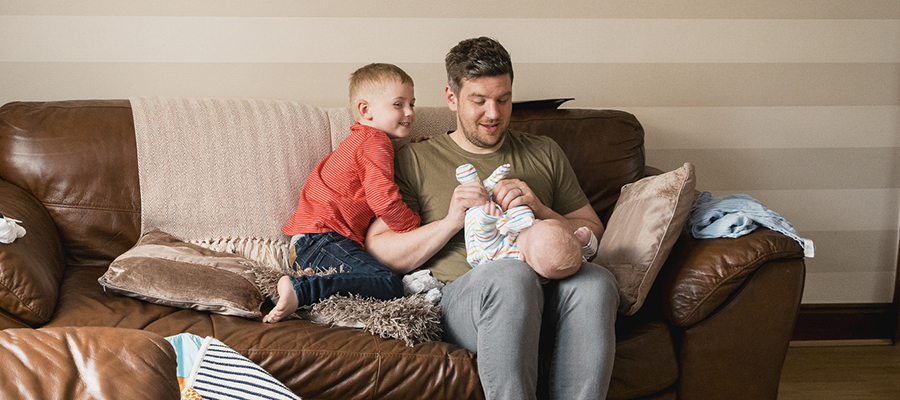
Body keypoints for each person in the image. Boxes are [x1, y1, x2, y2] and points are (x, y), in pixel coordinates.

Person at [365, 37, 619, 399]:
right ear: (452, 98)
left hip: (551, 295)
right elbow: (380, 249)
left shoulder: (544, 151)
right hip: (469, 302)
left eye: (503, 99)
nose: (494, 114)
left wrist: (542, 211)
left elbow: (593, 230)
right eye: (479, 101)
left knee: (597, 281)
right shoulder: (416, 159)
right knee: (511, 275)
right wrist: (451, 220)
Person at [263, 63, 420, 323]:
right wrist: (415, 226)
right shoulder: (376, 142)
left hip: (306, 245)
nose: (410, 112)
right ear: (365, 110)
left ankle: (310, 280)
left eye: (412, 104)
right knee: (389, 283)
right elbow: (384, 201)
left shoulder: (362, 140)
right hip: (323, 240)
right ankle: (302, 289)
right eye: (398, 104)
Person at [457, 163, 596, 280]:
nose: (536, 221)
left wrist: (487, 219)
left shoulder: (506, 254)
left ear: (522, 256)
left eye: (534, 226)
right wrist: (584, 243)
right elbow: (583, 254)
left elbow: (485, 238)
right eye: (541, 221)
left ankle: (472, 183)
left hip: (481, 242)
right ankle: (491, 184)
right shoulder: (566, 258)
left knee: (478, 205)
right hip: (506, 223)